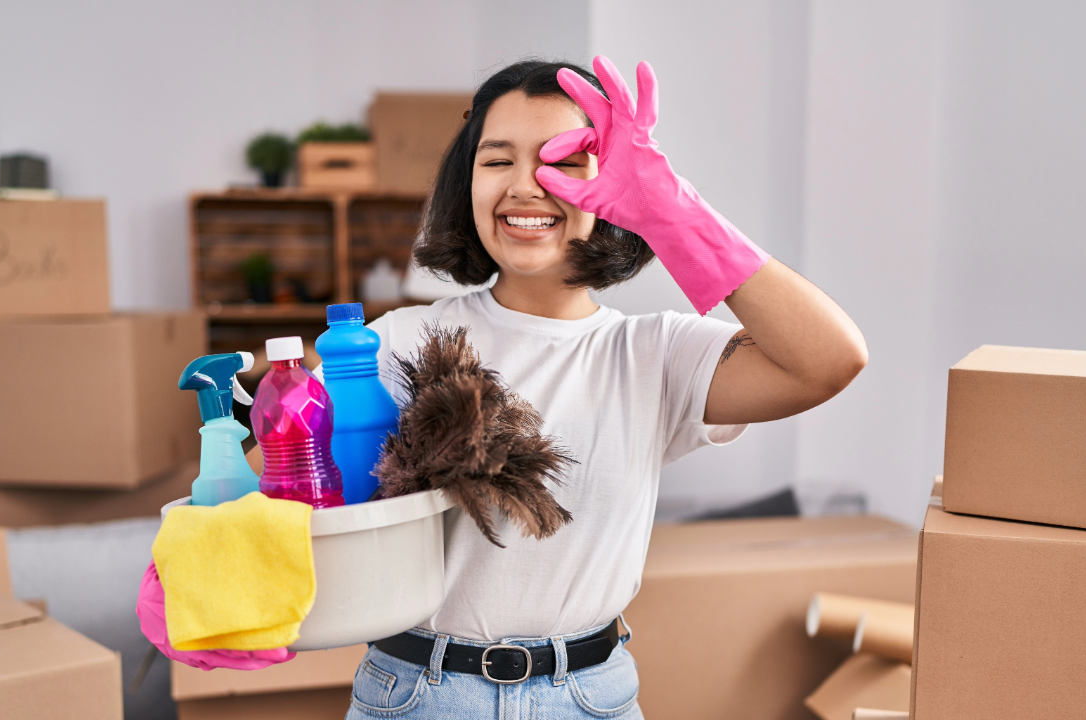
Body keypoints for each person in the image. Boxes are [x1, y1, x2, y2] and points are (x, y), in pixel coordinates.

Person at [331, 56, 866, 719]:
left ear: (616, 185)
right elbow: (277, 486)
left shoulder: (653, 354)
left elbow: (830, 359)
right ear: (464, 181)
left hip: (586, 698)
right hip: (417, 693)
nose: (525, 187)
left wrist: (674, 211)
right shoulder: (400, 344)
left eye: (562, 161)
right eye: (497, 161)